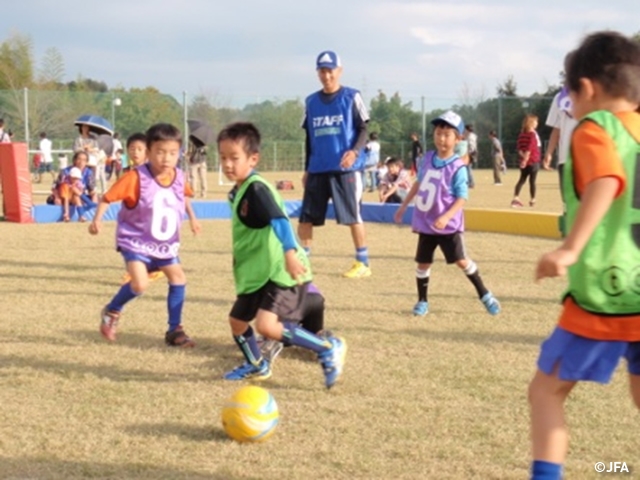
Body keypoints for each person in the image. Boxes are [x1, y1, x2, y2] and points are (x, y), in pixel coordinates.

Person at [529, 31, 640, 480]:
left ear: (588, 88)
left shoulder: (596, 130)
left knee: (546, 392)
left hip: (608, 292)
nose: (568, 106)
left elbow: (605, 181)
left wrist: (570, 249)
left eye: (569, 95)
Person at [218, 121, 346, 388]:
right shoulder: (237, 191)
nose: (227, 164)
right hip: (257, 274)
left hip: (279, 271)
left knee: (266, 325)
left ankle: (326, 347)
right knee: (237, 322)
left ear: (253, 159)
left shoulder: (256, 188)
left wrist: (289, 252)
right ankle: (257, 365)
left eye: (234, 158)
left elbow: (279, 221)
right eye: (222, 158)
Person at [89, 123, 201, 347]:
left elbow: (183, 196)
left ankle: (174, 330)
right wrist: (97, 220)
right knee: (139, 285)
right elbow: (108, 197)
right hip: (136, 242)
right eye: (159, 152)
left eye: (172, 153)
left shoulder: (179, 176)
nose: (166, 159)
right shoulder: (135, 178)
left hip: (165, 245)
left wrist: (193, 218)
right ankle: (113, 310)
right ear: (148, 152)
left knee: (179, 279)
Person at [393, 111, 501, 317]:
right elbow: (419, 183)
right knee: (423, 263)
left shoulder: (457, 167)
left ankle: (485, 294)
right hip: (426, 223)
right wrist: (404, 205)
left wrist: (446, 216)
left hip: (447, 225)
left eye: (447, 134)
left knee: (461, 260)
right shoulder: (426, 158)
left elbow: (462, 197)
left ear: (457, 138)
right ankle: (422, 301)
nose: (441, 138)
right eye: (438, 133)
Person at [299, 50, 371, 278]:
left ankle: (363, 262)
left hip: (345, 169)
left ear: (339, 71)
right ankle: (304, 260)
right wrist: (307, 168)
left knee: (353, 215)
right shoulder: (311, 102)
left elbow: (363, 128)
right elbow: (309, 137)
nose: (326, 75)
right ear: (317, 73)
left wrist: (354, 151)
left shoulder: (351, 97)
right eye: (322, 70)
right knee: (306, 217)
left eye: (330, 70)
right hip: (318, 168)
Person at [510, 114, 541, 208]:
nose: (537, 123)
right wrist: (526, 159)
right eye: (536, 122)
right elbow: (530, 148)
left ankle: (516, 197)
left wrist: (523, 158)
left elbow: (519, 148)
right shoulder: (532, 135)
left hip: (523, 161)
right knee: (532, 181)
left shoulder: (521, 135)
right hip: (533, 160)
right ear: (531, 123)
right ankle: (532, 199)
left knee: (522, 179)